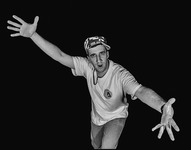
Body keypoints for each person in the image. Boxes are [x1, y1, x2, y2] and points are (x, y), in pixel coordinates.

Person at [7, 15, 180, 149]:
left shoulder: (120, 74)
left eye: (102, 53)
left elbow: (141, 91)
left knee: (106, 147)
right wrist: (33, 35)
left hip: (116, 116)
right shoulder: (86, 66)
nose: (98, 60)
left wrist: (163, 106)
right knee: (95, 145)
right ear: (88, 58)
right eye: (93, 55)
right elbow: (59, 56)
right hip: (96, 117)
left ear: (107, 53)